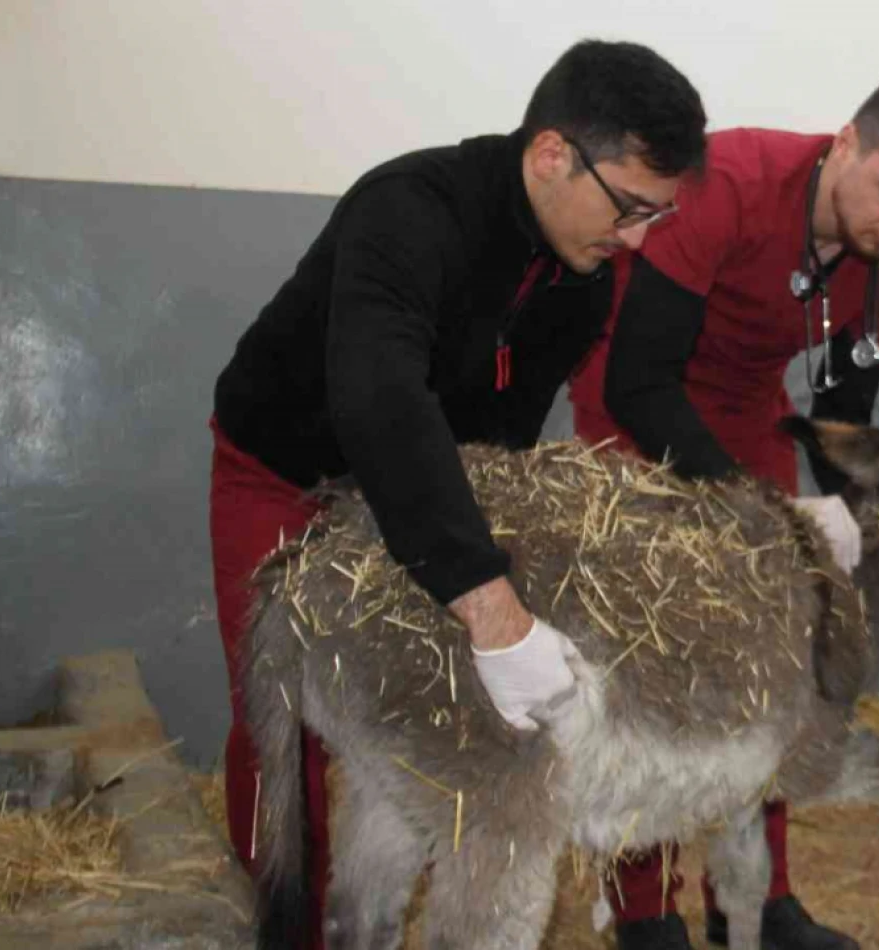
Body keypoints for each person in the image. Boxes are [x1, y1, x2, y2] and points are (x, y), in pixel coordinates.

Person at [207, 40, 707, 948]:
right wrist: (493, 611)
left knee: (437, 712)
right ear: (554, 153)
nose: (636, 239)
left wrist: (504, 581)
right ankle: (282, 927)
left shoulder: (583, 280)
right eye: (630, 206)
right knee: (278, 711)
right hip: (289, 471)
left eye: (655, 217)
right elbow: (380, 400)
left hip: (424, 489)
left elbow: (494, 450)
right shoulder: (409, 207)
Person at [568, 74, 879, 950]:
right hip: (635, 401)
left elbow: (842, 424)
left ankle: (758, 900)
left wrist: (870, 529)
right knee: (655, 661)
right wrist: (765, 512)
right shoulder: (734, 182)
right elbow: (639, 379)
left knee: (786, 660)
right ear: (843, 146)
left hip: (746, 413)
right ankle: (643, 911)